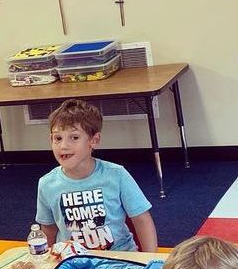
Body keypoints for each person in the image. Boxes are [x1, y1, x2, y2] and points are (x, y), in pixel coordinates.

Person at [35, 99, 157, 253]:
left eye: (74, 137)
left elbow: (142, 219)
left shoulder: (116, 174)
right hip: (73, 261)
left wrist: (151, 261)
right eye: (58, 138)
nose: (63, 146)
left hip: (119, 258)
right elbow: (48, 228)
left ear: (94, 140)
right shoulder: (47, 183)